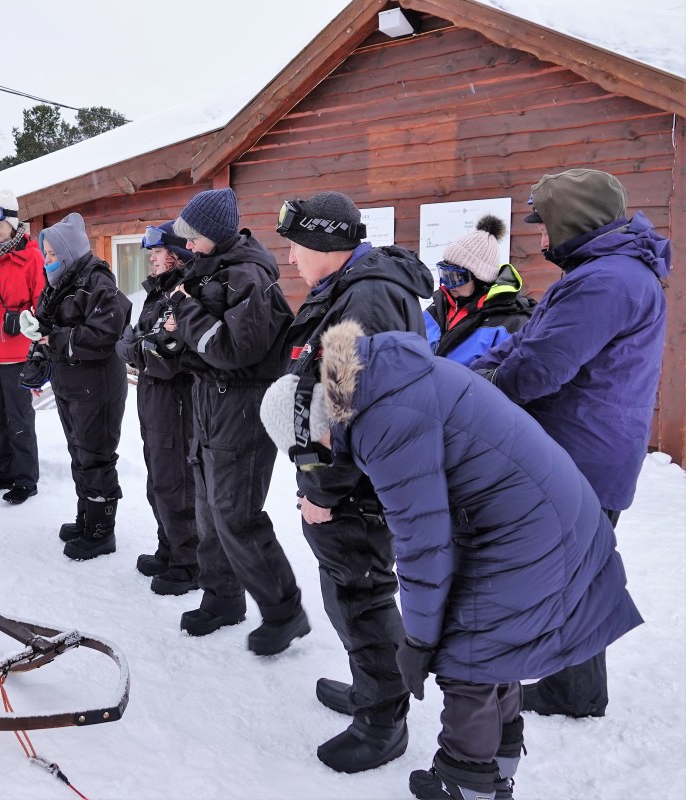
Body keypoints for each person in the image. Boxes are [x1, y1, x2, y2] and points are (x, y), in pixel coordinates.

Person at [261, 320, 642, 800]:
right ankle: (496, 769)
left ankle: (467, 786)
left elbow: (423, 542)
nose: (320, 460)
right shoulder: (379, 380)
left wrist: (418, 641)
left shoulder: (382, 420)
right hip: (538, 511)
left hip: (530, 526)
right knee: (487, 643)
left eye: (311, 450)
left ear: (314, 421)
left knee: (467, 655)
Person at [471, 168, 670, 719]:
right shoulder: (601, 273)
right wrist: (476, 372)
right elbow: (527, 343)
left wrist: (478, 394)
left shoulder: (606, 281)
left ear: (573, 220)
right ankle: (573, 690)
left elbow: (539, 368)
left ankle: (573, 693)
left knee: (566, 574)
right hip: (585, 448)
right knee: (572, 574)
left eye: (545, 224)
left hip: (580, 453)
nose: (539, 238)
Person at [274, 191, 433, 772]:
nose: (290, 258)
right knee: (350, 590)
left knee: (361, 596)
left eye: (295, 244)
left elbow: (348, 409)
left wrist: (323, 492)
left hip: (355, 489)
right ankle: (371, 689)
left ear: (321, 241)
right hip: (350, 481)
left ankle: (382, 721)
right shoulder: (354, 288)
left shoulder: (364, 299)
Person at [156, 187, 309, 656]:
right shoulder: (212, 270)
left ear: (212, 235)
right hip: (210, 403)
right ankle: (222, 597)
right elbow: (204, 341)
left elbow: (234, 350)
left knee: (236, 513)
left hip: (241, 406)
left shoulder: (247, 276)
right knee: (208, 508)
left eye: (192, 236)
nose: (185, 245)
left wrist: (184, 314)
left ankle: (285, 611)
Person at [19, 212, 130, 560]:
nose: (47, 260)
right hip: (71, 384)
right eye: (46, 255)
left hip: (97, 387)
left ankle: (101, 531)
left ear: (68, 254)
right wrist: (37, 355)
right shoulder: (59, 285)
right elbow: (47, 331)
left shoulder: (97, 283)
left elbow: (104, 334)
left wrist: (55, 337)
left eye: (52, 255)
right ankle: (86, 518)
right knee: (79, 453)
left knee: (95, 456)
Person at [115, 222, 199, 595]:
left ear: (177, 255)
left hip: (176, 402)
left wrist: (139, 347)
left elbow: (164, 357)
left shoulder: (185, 293)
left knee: (175, 484)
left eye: (156, 252)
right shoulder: (159, 293)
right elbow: (132, 342)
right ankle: (168, 548)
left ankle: (188, 562)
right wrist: (140, 347)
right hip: (153, 399)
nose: (150, 259)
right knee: (157, 482)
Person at [0, 190, 45, 505]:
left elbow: (43, 306)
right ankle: (1, 471)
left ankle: (26, 479)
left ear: (13, 221)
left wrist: (24, 319)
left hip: (16, 354)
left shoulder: (32, 257)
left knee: (19, 418)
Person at [423, 215, 533, 366]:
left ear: (480, 278)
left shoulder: (508, 323)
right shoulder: (435, 311)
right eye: (444, 274)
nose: (448, 285)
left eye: (456, 277)